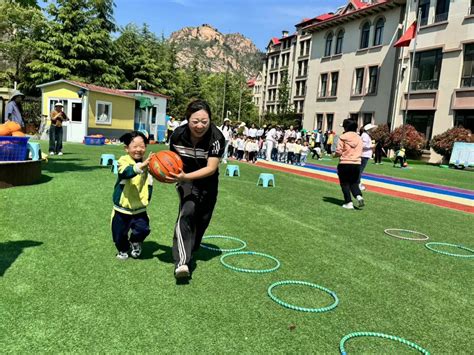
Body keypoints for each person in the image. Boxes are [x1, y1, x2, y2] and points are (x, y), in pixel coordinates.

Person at [168, 99, 225, 279]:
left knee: (202, 220)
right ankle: (182, 263)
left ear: (210, 120)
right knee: (187, 212)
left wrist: (186, 176)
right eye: (195, 121)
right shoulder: (177, 135)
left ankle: (192, 246)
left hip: (208, 182)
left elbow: (211, 169)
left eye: (204, 121)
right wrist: (172, 175)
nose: (200, 125)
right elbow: (170, 160)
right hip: (186, 181)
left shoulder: (216, 138)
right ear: (187, 119)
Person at [111, 131, 153, 260]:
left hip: (139, 207)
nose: (139, 149)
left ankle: (135, 242)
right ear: (126, 148)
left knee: (143, 229)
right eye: (135, 146)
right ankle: (123, 249)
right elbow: (126, 173)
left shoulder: (149, 163)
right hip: (122, 208)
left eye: (142, 146)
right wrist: (142, 166)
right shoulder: (123, 161)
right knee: (119, 233)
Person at [334, 119, 364, 209]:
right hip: (356, 163)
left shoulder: (343, 137)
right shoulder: (359, 138)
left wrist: (334, 155)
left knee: (345, 183)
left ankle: (348, 202)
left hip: (345, 163)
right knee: (354, 183)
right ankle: (358, 196)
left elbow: (339, 151)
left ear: (346, 127)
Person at [359, 123, 376, 191]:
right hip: (364, 155)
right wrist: (371, 146)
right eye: (371, 129)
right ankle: (358, 184)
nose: (372, 131)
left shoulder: (366, 135)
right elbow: (363, 145)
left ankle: (357, 183)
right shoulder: (365, 135)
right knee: (360, 170)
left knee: (360, 170)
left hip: (365, 155)